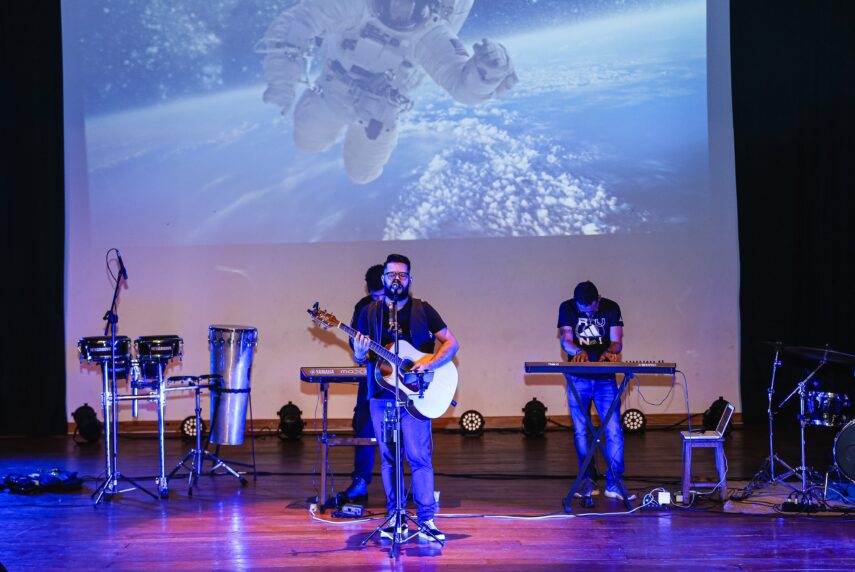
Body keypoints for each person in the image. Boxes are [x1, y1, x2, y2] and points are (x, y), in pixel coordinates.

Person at [258, 0, 518, 184]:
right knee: (307, 142)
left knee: (362, 174)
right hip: (331, 94)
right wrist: (282, 79)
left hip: (376, 114)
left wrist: (489, 71)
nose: (403, 7)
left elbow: (463, 88)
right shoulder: (354, 6)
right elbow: (297, 22)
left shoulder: (431, 34)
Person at [353, 254, 459, 541]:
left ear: (410, 279)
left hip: (417, 396)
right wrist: (360, 352)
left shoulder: (423, 309)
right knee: (389, 459)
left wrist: (430, 364)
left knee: (419, 457)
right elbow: (360, 356)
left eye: (402, 274)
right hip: (382, 394)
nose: (396, 279)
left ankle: (426, 520)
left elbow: (451, 343)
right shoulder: (369, 313)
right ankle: (395, 518)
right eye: (391, 275)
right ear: (383, 279)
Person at [557, 280, 635, 502]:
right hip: (578, 378)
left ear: (597, 300)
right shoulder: (567, 307)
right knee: (581, 432)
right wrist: (578, 351)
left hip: (604, 380)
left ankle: (614, 483)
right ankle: (587, 480)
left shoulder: (611, 307)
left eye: (590, 310)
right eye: (583, 310)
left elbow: (617, 342)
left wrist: (610, 351)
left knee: (613, 430)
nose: (587, 314)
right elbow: (566, 340)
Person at [342, 264, 386, 501]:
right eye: (375, 296)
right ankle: (360, 481)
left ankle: (409, 485)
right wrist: (359, 351)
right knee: (364, 425)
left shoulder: (405, 306)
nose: (379, 300)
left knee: (406, 430)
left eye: (383, 295)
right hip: (373, 377)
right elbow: (357, 347)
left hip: (401, 381)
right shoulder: (363, 307)